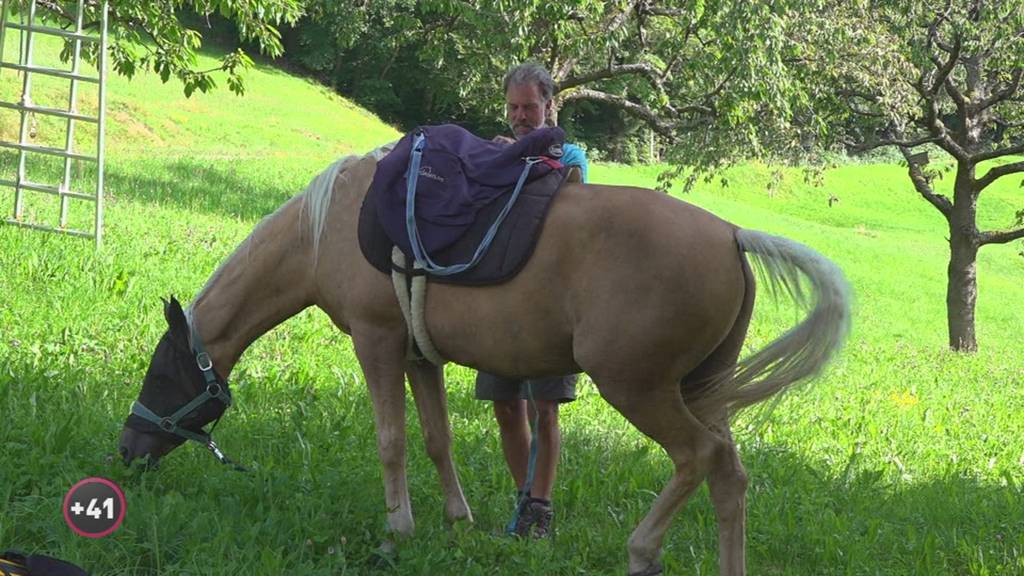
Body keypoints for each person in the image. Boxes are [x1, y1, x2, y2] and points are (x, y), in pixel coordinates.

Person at [475, 62, 588, 539]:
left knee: (545, 406)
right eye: (513, 107)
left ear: (548, 105)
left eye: (529, 107)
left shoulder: (572, 155)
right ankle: (524, 501)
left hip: (550, 302)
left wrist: (527, 156)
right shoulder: (495, 150)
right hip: (501, 300)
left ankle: (540, 506)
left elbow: (574, 203)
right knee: (504, 405)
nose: (520, 116)